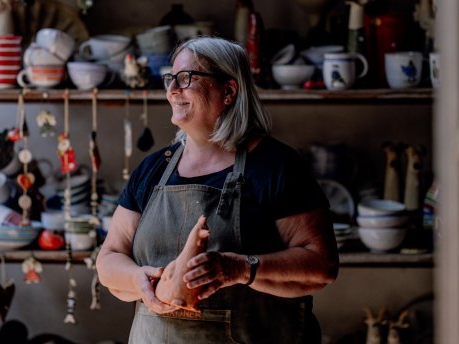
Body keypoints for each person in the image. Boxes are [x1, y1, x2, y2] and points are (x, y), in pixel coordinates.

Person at [97, 37, 339, 343]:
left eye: (186, 78)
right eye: (170, 79)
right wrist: (139, 280)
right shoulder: (154, 169)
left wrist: (237, 268)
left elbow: (321, 264)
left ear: (228, 91)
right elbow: (109, 257)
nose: (172, 90)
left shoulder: (274, 166)